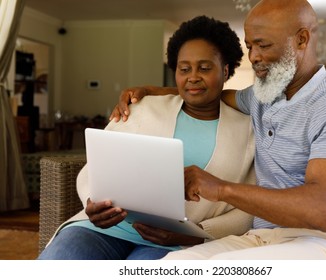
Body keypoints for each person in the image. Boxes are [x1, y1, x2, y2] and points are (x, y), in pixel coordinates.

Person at [110, 0, 326, 260]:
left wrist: (220, 189)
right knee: (175, 265)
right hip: (267, 237)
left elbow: (322, 211)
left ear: (301, 39)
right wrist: (148, 91)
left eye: (263, 45)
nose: (253, 57)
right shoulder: (263, 96)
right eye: (250, 46)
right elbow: (209, 93)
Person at [37, 15, 256, 260]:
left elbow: (250, 206)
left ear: (225, 71)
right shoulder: (142, 107)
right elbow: (96, 166)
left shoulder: (247, 130)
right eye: (184, 69)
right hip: (105, 229)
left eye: (205, 68)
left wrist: (198, 233)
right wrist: (92, 200)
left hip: (174, 242)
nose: (193, 76)